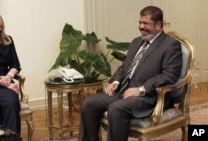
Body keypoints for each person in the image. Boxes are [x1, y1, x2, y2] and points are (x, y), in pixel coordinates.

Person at [78, 5, 183, 141]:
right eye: (140, 22)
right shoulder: (136, 42)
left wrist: (141, 89)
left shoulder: (170, 45)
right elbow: (124, 67)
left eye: (145, 23)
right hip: (123, 91)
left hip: (149, 97)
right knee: (89, 104)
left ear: (158, 25)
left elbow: (169, 75)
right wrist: (115, 82)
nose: (141, 26)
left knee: (116, 108)